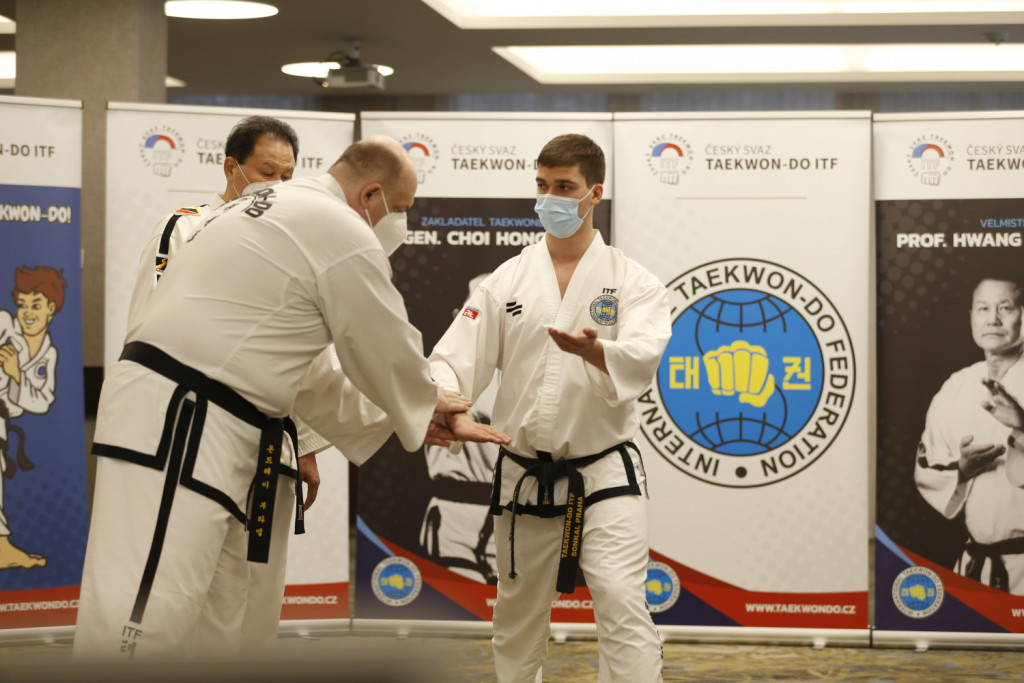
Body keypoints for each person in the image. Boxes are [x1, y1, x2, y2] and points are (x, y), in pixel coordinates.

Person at [74, 135, 509, 661]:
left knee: (222, 616)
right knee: (147, 607)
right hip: (181, 421)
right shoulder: (337, 226)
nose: (402, 223)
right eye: (401, 209)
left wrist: (413, 413)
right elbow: (382, 341)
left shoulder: (277, 209)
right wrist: (430, 400)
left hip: (219, 422)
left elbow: (310, 373)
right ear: (370, 194)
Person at [429, 134, 669, 683]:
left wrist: (599, 353)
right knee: (516, 618)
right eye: (542, 185)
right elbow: (452, 359)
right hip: (524, 472)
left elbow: (643, 352)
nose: (550, 199)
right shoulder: (506, 280)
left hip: (604, 468)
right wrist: (452, 409)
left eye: (564, 187)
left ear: (594, 194)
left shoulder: (633, 282)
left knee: (620, 598)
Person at [124, 115, 299, 325]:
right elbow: (146, 318)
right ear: (230, 168)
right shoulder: (181, 228)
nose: (277, 185)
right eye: (267, 173)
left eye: (286, 177)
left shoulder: (288, 241)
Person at [915, 276, 1024, 595]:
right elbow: (928, 464)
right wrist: (961, 469)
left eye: (1005, 308)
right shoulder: (957, 387)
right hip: (976, 565)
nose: (993, 319)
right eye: (983, 308)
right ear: (971, 317)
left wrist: (1022, 427)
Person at [0, 265, 67, 569]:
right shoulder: (4, 325)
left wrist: (16, 374)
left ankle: (3, 547)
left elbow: (42, 401)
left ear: (51, 309)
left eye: (36, 305)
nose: (27, 313)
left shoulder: (48, 353)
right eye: (23, 304)